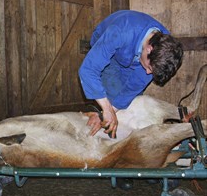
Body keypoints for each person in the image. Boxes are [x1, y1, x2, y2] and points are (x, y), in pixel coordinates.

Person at [78, 10, 183, 139]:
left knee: (131, 101)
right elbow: (88, 70)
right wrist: (106, 109)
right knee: (112, 91)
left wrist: (110, 112)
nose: (148, 73)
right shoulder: (120, 32)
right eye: (150, 68)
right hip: (111, 50)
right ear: (149, 49)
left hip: (135, 55)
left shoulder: (164, 47)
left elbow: (132, 88)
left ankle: (100, 117)